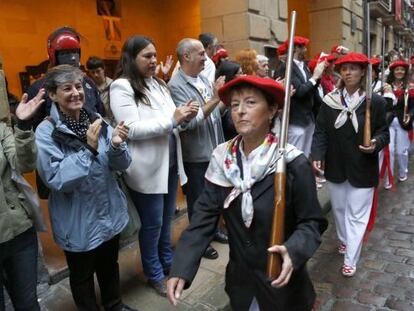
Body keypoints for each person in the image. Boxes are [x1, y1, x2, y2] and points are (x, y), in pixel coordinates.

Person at [167, 75, 327, 311]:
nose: (240, 111)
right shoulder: (223, 160)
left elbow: (312, 221)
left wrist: (294, 250)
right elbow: (203, 219)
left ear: (272, 110)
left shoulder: (292, 163)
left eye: (251, 103)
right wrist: (181, 266)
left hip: (283, 287)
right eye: (234, 104)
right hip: (242, 285)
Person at [35, 65, 136, 311]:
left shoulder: (97, 120)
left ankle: (115, 305)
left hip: (107, 212)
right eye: (66, 88)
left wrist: (116, 145)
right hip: (77, 220)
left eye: (78, 86)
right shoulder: (46, 132)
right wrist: (89, 149)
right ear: (52, 94)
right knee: (82, 276)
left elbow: (122, 164)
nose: (75, 93)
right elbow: (56, 178)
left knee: (109, 265)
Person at [110, 35, 198, 296]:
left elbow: (171, 117)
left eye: (154, 55)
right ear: (131, 58)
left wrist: (184, 114)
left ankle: (167, 261)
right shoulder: (121, 86)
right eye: (147, 56)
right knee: (152, 225)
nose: (154, 60)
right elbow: (132, 129)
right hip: (145, 169)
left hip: (169, 163)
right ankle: (154, 273)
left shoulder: (158, 84)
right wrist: (173, 119)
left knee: (166, 219)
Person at [311, 52, 389, 277]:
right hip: (336, 167)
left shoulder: (375, 101)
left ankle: (350, 258)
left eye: (353, 68)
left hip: (363, 168)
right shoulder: (330, 101)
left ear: (363, 71)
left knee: (356, 215)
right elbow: (321, 130)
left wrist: (375, 143)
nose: (348, 72)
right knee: (340, 210)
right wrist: (317, 153)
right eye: (344, 69)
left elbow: (384, 132)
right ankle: (345, 240)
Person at [168, 38, 226, 260]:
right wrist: (215, 98)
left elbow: (213, 114)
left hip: (213, 151)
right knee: (198, 202)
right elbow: (188, 123)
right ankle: (200, 243)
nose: (206, 57)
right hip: (196, 157)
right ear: (186, 57)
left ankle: (214, 231)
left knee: (213, 198)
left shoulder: (202, 78)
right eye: (201, 53)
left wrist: (225, 99)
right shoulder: (176, 86)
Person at [0, 88, 46, 311]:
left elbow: (25, 164)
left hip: (18, 231)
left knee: (27, 303)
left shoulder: (1, 129)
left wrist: (23, 126)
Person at [27, 26, 105, 130]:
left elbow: (100, 114)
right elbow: (34, 130)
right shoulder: (39, 89)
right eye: (66, 53)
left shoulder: (88, 83)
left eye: (75, 52)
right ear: (53, 55)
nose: (73, 57)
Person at [275, 36, 326, 157]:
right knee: (294, 157)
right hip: (296, 121)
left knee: (307, 154)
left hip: (309, 119)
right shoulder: (286, 68)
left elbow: (311, 91)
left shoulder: (304, 66)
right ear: (296, 48)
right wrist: (315, 77)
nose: (306, 50)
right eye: (303, 47)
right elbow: (300, 92)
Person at [383, 59, 414, 188]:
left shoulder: (410, 87)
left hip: (403, 122)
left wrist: (410, 115)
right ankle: (388, 178)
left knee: (401, 151)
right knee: (388, 151)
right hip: (388, 121)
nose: (399, 71)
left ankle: (402, 171)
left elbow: (413, 106)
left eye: (402, 69)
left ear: (405, 72)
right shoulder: (385, 85)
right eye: (397, 69)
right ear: (393, 72)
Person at [216, 60, 243, 141]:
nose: (244, 75)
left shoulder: (240, 92)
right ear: (232, 76)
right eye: (240, 73)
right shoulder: (222, 97)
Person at [86, 56, 114, 124]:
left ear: (103, 69)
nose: (96, 75)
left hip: (113, 122)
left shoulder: (113, 85)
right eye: (92, 72)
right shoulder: (88, 88)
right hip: (96, 123)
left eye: (98, 71)